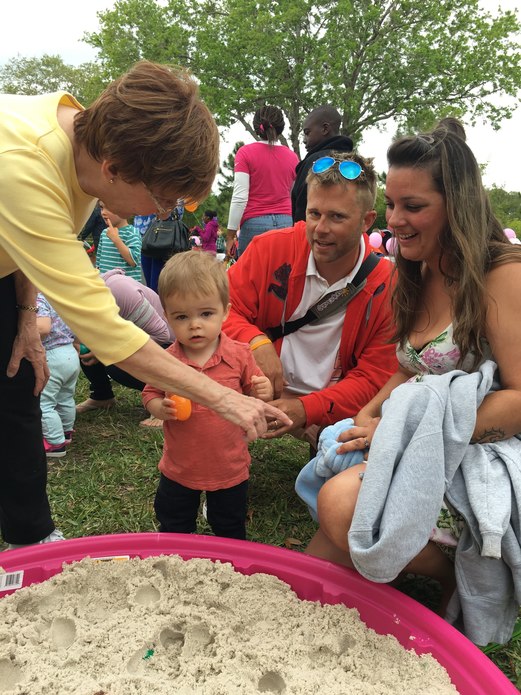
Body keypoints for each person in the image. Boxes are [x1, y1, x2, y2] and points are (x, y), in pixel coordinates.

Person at [0, 60, 289, 550]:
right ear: (115, 169)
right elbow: (110, 333)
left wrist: (26, 315)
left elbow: (23, 242)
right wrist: (223, 397)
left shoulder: (83, 148)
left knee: (17, 390)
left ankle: (32, 538)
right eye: (162, 200)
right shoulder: (21, 164)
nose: (160, 214)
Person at [305, 118, 521, 645]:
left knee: (339, 505)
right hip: (426, 434)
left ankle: (454, 572)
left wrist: (401, 433)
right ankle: (384, 559)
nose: (396, 221)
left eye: (414, 207)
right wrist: (372, 412)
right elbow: (413, 364)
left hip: (483, 451)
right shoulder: (422, 266)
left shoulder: (502, 275)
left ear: (458, 206)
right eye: (394, 205)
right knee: (313, 579)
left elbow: (519, 399)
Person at [223, 152, 397, 443]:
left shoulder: (387, 285)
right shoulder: (269, 249)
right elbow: (220, 311)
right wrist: (256, 342)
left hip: (335, 407)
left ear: (367, 221)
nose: (321, 229)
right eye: (314, 213)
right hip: (261, 384)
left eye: (337, 217)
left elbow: (373, 377)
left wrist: (306, 409)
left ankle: (321, 443)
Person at [142, 251, 273, 539]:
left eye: (206, 313)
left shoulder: (239, 355)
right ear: (166, 317)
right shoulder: (166, 360)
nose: (195, 324)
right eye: (181, 316)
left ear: (225, 311)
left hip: (229, 466)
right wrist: (158, 407)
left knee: (229, 527)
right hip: (179, 468)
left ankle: (227, 566)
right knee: (174, 525)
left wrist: (264, 390)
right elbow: (150, 392)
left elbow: (253, 392)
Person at [75, 269, 175, 423]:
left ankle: (161, 400)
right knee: (87, 347)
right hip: (134, 338)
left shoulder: (119, 292)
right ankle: (102, 396)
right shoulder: (83, 301)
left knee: (114, 364)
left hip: (168, 346)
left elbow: (162, 335)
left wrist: (110, 350)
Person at [226, 105, 299, 258]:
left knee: (248, 278)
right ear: (281, 128)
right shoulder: (292, 157)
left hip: (254, 223)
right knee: (281, 277)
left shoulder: (245, 153)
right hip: (285, 223)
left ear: (256, 127)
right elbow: (293, 195)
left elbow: (240, 198)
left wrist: (230, 235)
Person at [37, 293, 81, 459]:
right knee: (65, 397)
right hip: (69, 352)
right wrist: (76, 342)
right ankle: (65, 431)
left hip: (52, 356)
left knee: (44, 403)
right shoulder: (58, 295)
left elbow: (43, 328)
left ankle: (54, 443)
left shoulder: (37, 299)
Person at [291, 105, 353, 223]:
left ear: (325, 129)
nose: (304, 140)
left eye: (307, 133)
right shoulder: (355, 163)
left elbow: (301, 211)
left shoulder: (313, 163)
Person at [96, 200, 142, 281]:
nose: (103, 212)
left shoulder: (132, 232)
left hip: (126, 288)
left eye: (109, 208)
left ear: (124, 210)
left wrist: (116, 240)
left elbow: (133, 261)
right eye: (101, 208)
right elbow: (99, 262)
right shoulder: (104, 233)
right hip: (106, 286)